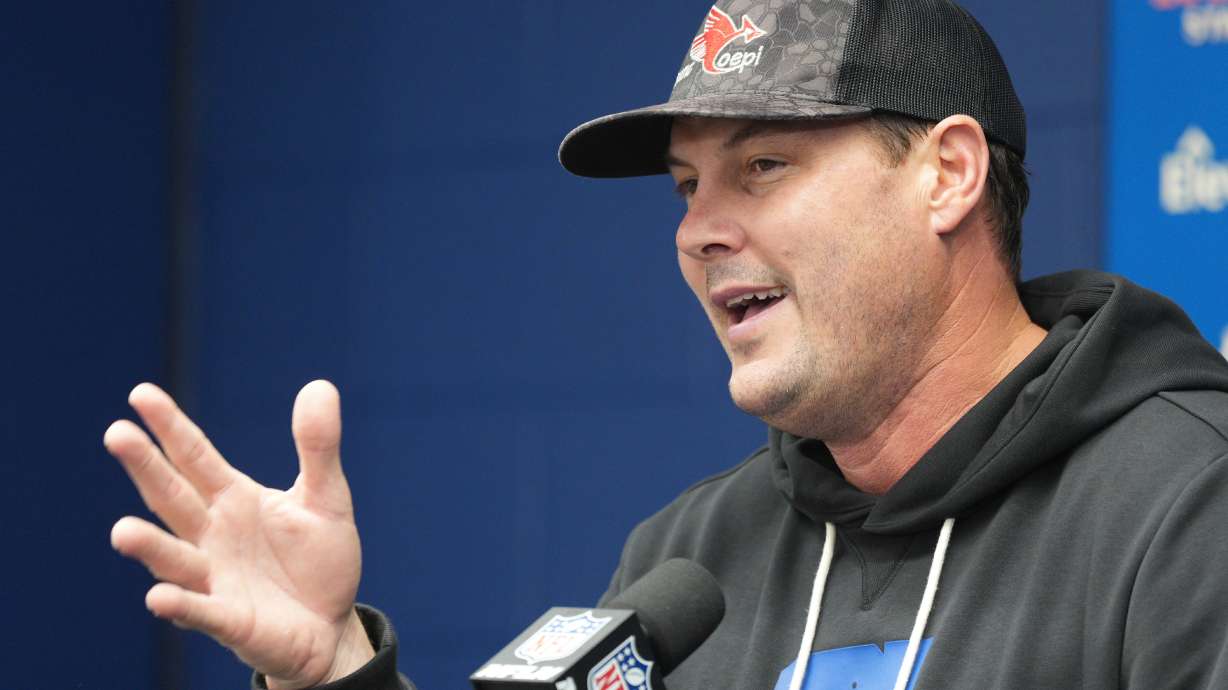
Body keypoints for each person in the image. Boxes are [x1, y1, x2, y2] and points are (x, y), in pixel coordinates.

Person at [107, 1, 1228, 688]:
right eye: (688, 187)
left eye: (763, 168)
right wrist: (334, 670)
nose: (697, 230)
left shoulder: (1185, 503)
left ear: (946, 174)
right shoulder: (689, 558)